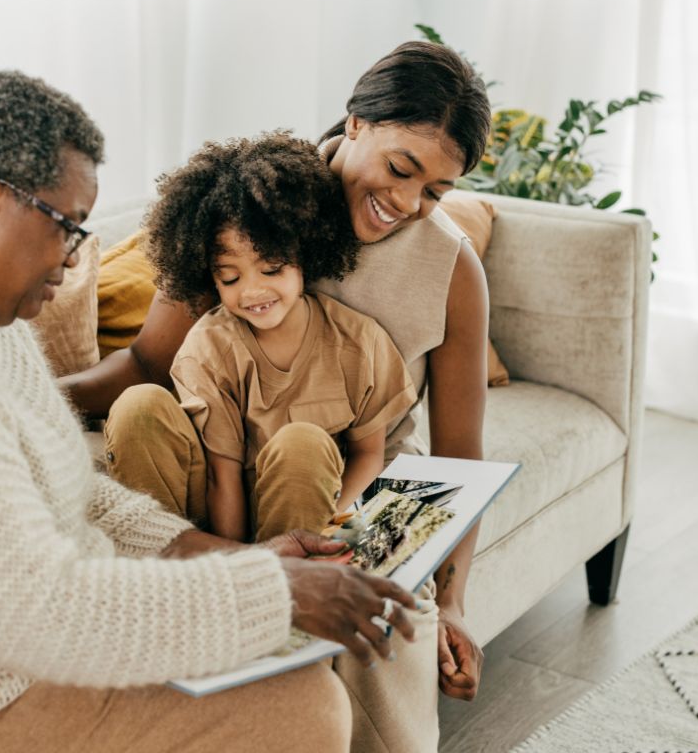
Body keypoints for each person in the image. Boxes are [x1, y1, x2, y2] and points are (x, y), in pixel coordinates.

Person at [0, 70, 422, 752]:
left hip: (15, 652)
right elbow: (45, 613)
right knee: (298, 706)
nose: (72, 261)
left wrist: (231, 557)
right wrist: (271, 591)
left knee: (292, 679)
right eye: (67, 228)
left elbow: (70, 489)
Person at [62, 41, 493, 748]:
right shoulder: (254, 199)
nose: (409, 203)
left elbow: (459, 462)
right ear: (355, 122)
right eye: (400, 169)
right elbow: (145, 363)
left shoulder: (451, 269)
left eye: (437, 191)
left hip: (349, 501)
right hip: (214, 471)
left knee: (381, 640)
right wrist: (32, 397)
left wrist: (454, 603)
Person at [126, 130, 417, 544]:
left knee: (302, 442)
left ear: (304, 254)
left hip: (307, 516)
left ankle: (294, 587)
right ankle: (174, 575)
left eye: (272, 269)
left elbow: (369, 454)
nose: (253, 292)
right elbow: (221, 477)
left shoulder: (358, 341)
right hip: (215, 528)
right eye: (230, 277)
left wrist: (338, 532)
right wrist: (241, 565)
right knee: (138, 405)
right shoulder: (208, 348)